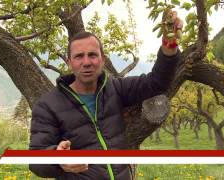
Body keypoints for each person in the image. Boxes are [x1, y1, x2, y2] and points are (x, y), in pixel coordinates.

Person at [29, 10, 183, 180]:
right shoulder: (48, 106)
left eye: (92, 55)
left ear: (102, 60)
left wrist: (170, 46)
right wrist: (58, 159)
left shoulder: (115, 89)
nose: (86, 62)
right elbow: (35, 161)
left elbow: (156, 83)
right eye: (79, 56)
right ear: (69, 62)